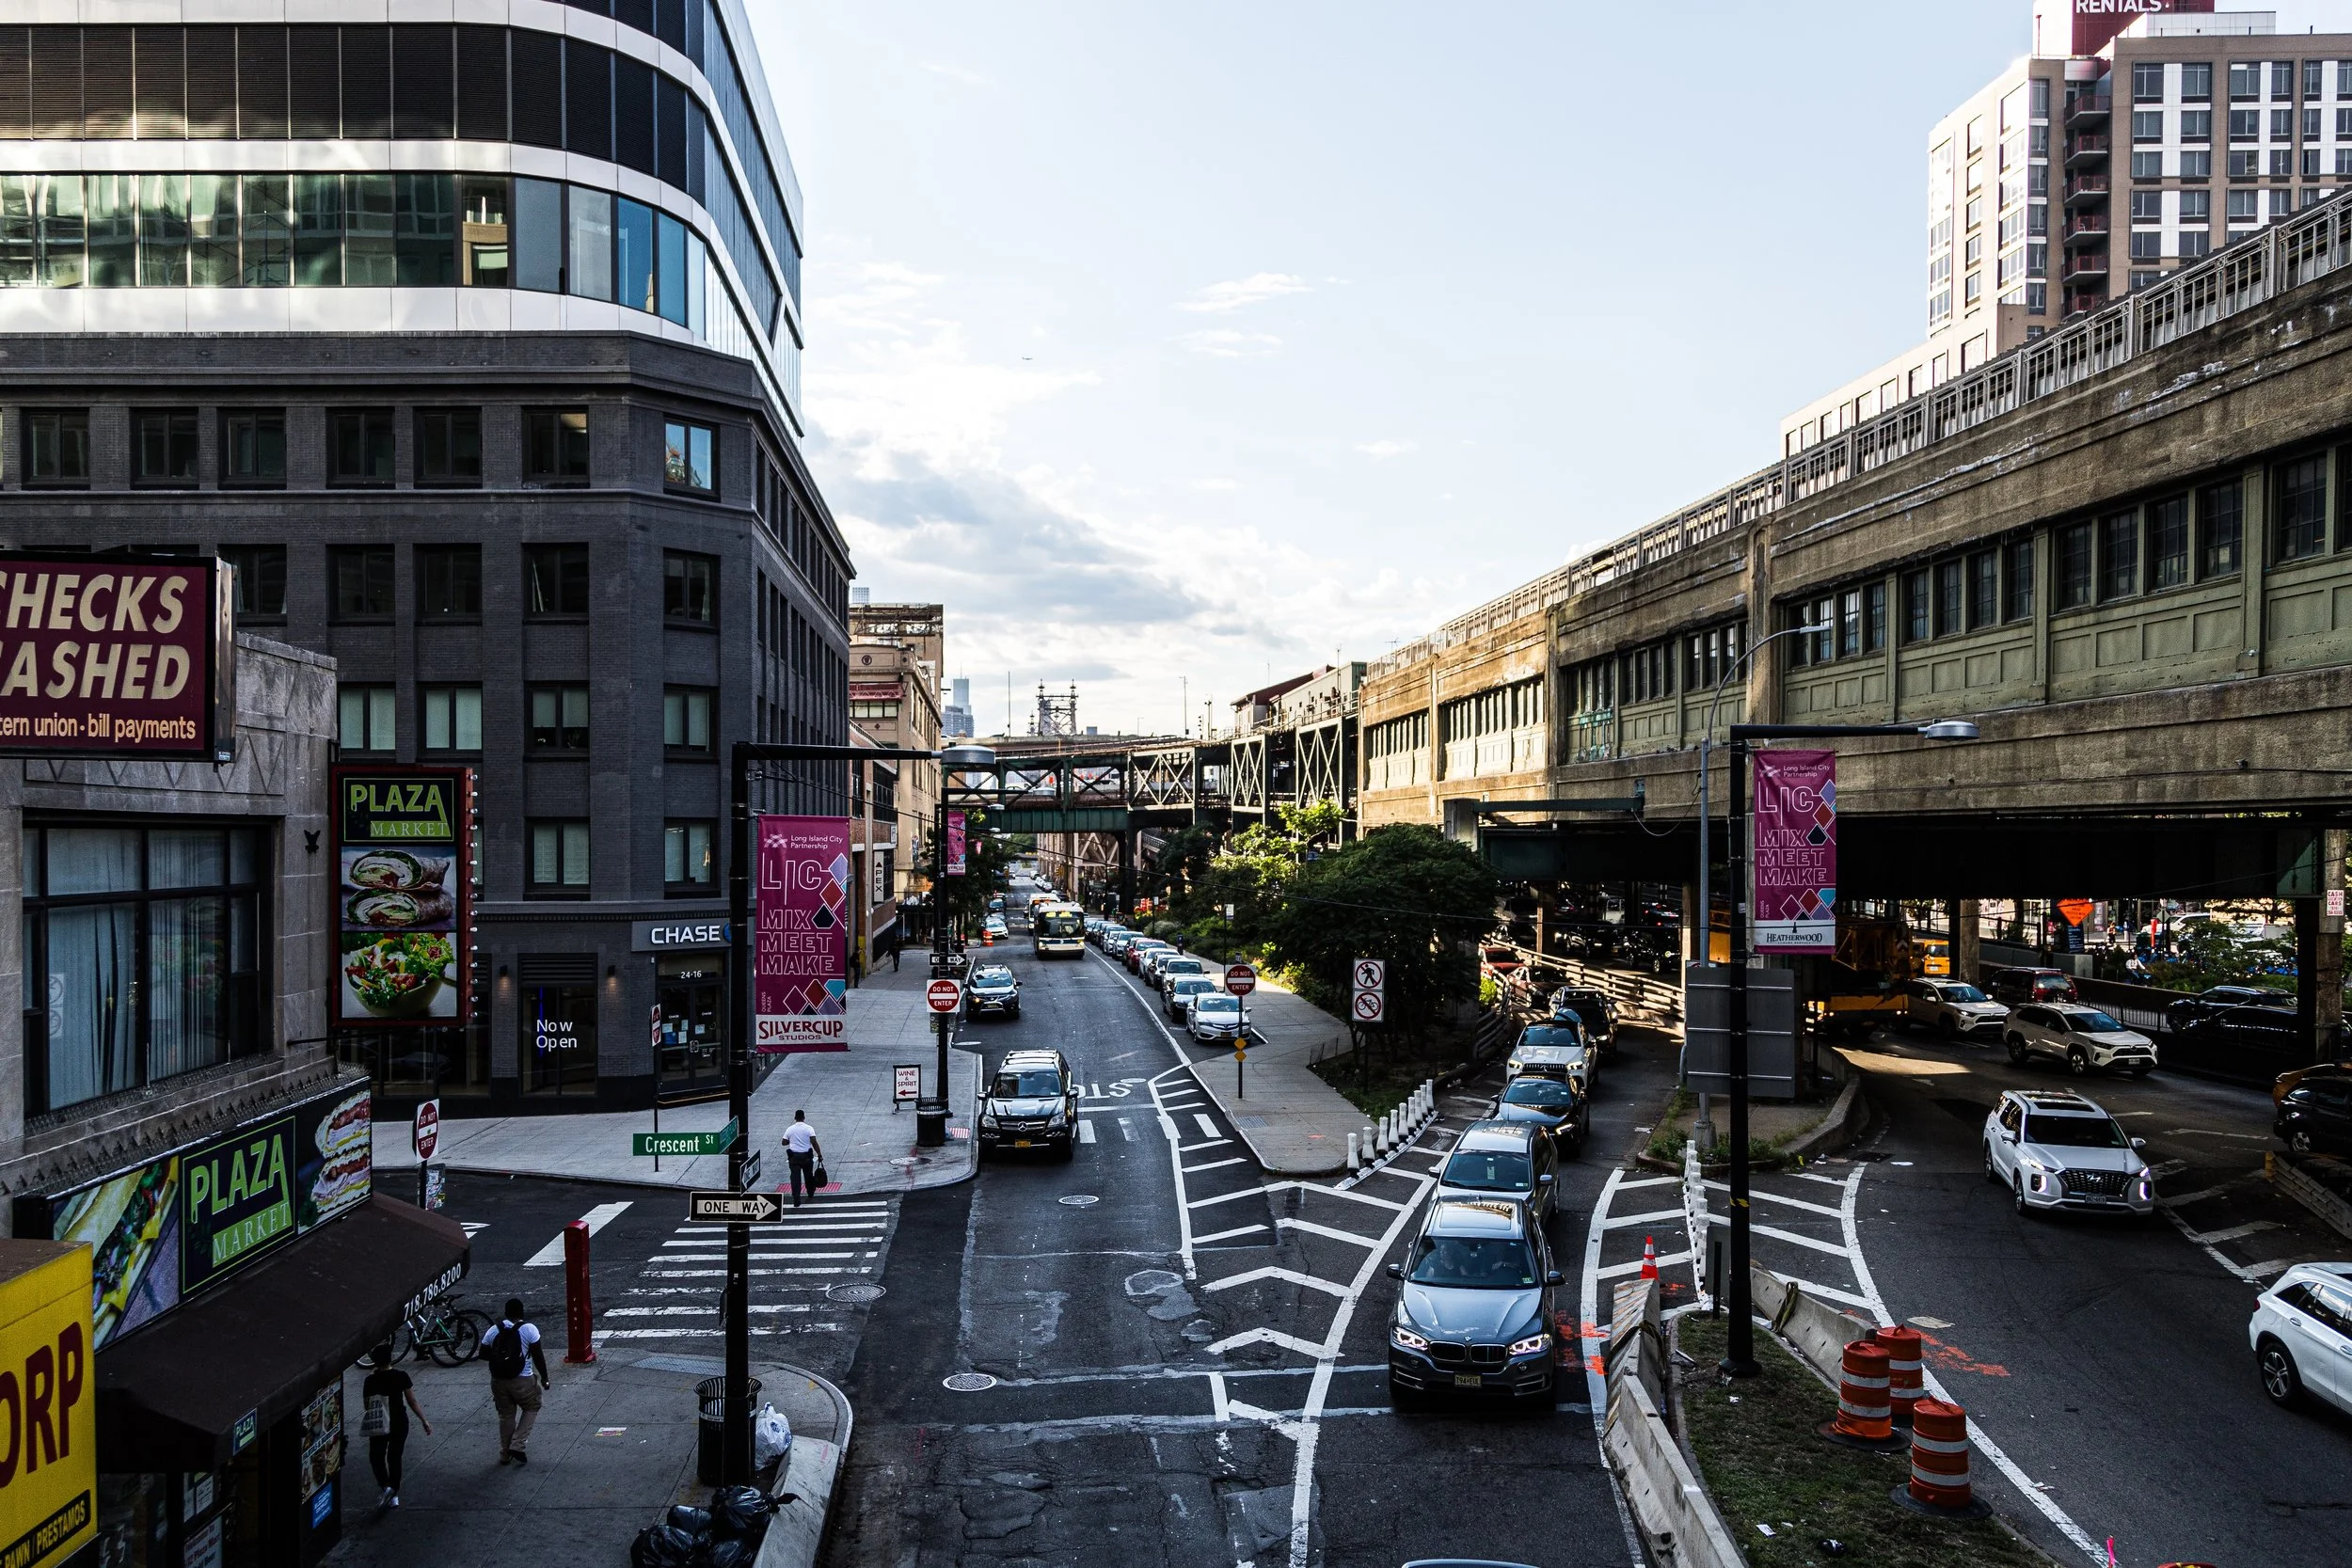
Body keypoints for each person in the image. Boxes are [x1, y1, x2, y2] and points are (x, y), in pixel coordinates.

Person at [479, 1298, 550, 1465]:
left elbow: (482, 1353)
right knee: (532, 1406)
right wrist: (545, 1378)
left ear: (505, 1313)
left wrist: (499, 1359)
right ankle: (517, 1445)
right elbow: (538, 1356)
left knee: (506, 1415)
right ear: (522, 1312)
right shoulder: (529, 1329)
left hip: (498, 1381)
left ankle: (505, 1453)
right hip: (523, 1378)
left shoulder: (493, 1330)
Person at [360, 1343, 429, 1510]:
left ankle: (385, 1487)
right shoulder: (401, 1376)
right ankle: (393, 1491)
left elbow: (366, 1405)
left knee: (376, 1456)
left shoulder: (370, 1380)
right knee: (394, 1456)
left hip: (380, 1423)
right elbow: (412, 1401)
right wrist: (424, 1420)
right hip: (399, 1421)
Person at [783, 1111, 823, 1208]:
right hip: (806, 1156)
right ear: (804, 1117)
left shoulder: (790, 1129)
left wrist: (792, 1140)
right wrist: (819, 1154)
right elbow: (814, 1142)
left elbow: (784, 1142)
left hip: (794, 1157)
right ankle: (810, 1193)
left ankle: (796, 1200)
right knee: (808, 1176)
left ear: (795, 1118)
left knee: (795, 1178)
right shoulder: (809, 1128)